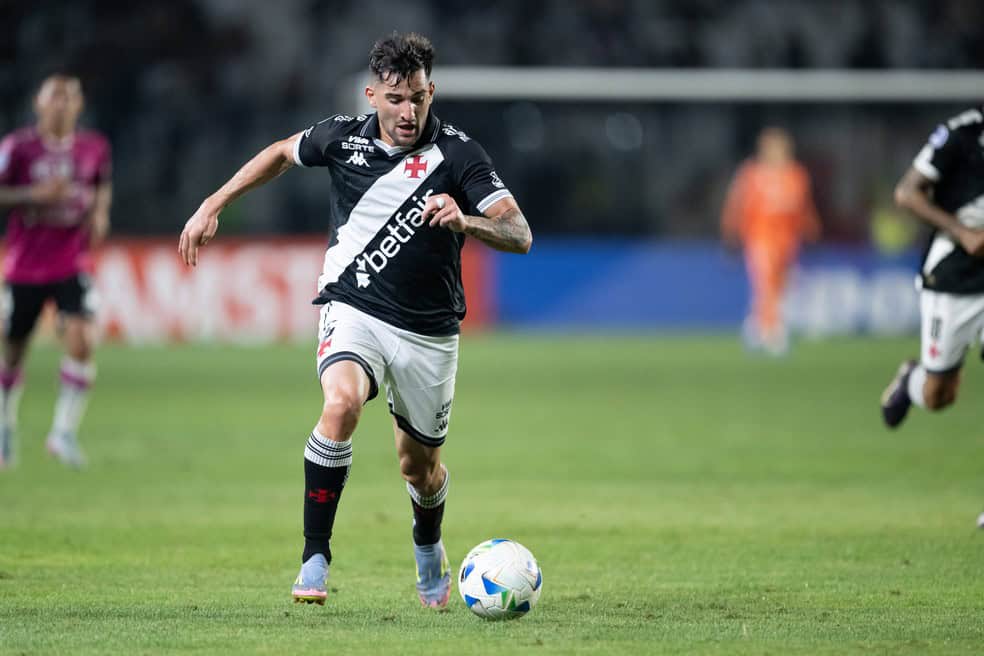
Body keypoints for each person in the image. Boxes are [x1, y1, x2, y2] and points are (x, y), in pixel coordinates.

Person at [178, 33, 532, 608]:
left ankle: (427, 542)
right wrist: (211, 204)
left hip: (429, 329)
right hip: (354, 305)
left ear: (431, 91)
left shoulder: (460, 155)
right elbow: (276, 154)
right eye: (395, 98)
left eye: (418, 97)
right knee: (340, 403)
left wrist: (466, 221)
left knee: (419, 468)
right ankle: (315, 557)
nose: (408, 111)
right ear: (373, 95)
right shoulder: (341, 137)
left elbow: (520, 234)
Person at [0, 74, 112, 469]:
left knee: (82, 341)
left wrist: (99, 214)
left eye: (69, 97)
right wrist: (33, 195)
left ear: (78, 106)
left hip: (71, 261)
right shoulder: (17, 148)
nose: (62, 104)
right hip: (25, 265)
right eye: (55, 97)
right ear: (39, 103)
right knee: (13, 352)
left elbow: (101, 185)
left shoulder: (93, 148)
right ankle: (5, 425)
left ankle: (62, 434)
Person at [881, 108, 984, 435]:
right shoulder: (961, 133)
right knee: (939, 395)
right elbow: (906, 193)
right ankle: (913, 380)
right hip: (953, 274)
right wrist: (962, 232)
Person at [721, 127, 821, 355]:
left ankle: (755, 327)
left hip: (787, 239)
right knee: (765, 284)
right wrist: (730, 233)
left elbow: (804, 208)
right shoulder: (752, 174)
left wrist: (811, 230)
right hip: (760, 236)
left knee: (780, 286)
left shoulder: (796, 174)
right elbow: (737, 206)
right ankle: (773, 333)